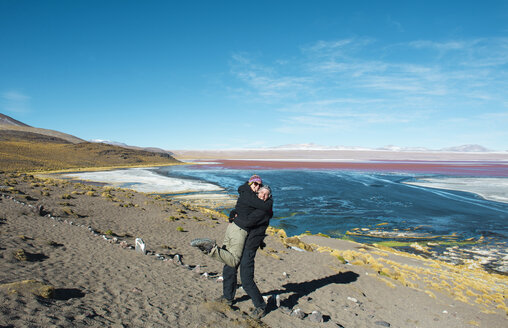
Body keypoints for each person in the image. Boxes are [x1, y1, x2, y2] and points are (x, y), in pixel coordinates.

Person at [191, 175, 273, 268]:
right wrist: (269, 203)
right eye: (255, 183)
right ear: (250, 183)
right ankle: (210, 248)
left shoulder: (246, 193)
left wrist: (232, 217)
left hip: (232, 227)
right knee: (234, 261)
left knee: (226, 255)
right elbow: (264, 206)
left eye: (259, 185)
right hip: (239, 229)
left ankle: (204, 248)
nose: (257, 186)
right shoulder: (248, 195)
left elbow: (237, 210)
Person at [222, 184, 273, 319]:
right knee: (230, 268)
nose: (264, 196)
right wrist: (233, 213)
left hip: (250, 246)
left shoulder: (264, 210)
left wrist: (234, 218)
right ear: (257, 194)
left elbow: (248, 221)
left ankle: (261, 306)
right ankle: (227, 297)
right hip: (241, 241)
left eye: (267, 194)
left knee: (246, 278)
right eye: (262, 193)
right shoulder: (256, 205)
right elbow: (242, 210)